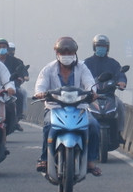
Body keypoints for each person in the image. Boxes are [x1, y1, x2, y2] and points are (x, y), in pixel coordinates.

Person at [32, 36, 102, 176]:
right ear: (57, 54)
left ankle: (90, 160)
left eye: (69, 53)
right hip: (54, 108)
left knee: (94, 126)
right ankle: (45, 158)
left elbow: (89, 83)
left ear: (74, 53)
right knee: (48, 126)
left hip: (79, 107)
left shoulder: (82, 67)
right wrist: (40, 93)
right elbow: (40, 85)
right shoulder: (48, 69)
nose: (66, 56)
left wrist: (93, 93)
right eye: (63, 53)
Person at [0, 37, 29, 131]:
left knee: (19, 94)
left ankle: (17, 118)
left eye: (4, 47)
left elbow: (22, 70)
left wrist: (24, 76)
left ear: (7, 48)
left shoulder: (15, 61)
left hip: (10, 86)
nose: (2, 48)